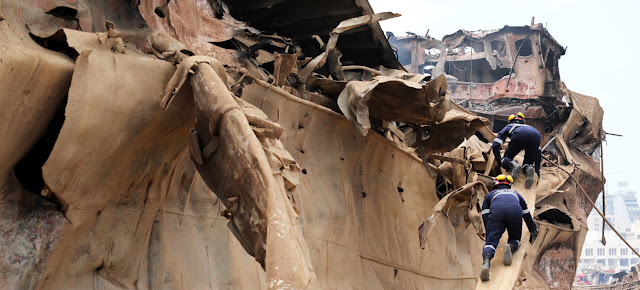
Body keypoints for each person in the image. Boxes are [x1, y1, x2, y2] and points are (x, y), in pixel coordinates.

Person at [480, 174, 538, 281]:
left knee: (490, 243)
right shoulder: (516, 194)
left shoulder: (490, 195)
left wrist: (490, 231)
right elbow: (526, 213)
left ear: (496, 184)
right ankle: (510, 246)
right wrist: (533, 228)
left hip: (496, 213)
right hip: (515, 212)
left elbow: (485, 215)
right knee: (515, 239)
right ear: (509, 185)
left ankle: (486, 264)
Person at [492, 112, 542, 188]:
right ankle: (528, 167)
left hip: (519, 135)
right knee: (528, 161)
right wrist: (537, 169)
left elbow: (495, 145)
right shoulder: (530, 128)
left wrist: (500, 162)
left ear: (510, 121)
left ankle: (514, 164)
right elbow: (538, 152)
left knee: (506, 158)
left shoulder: (509, 126)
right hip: (536, 136)